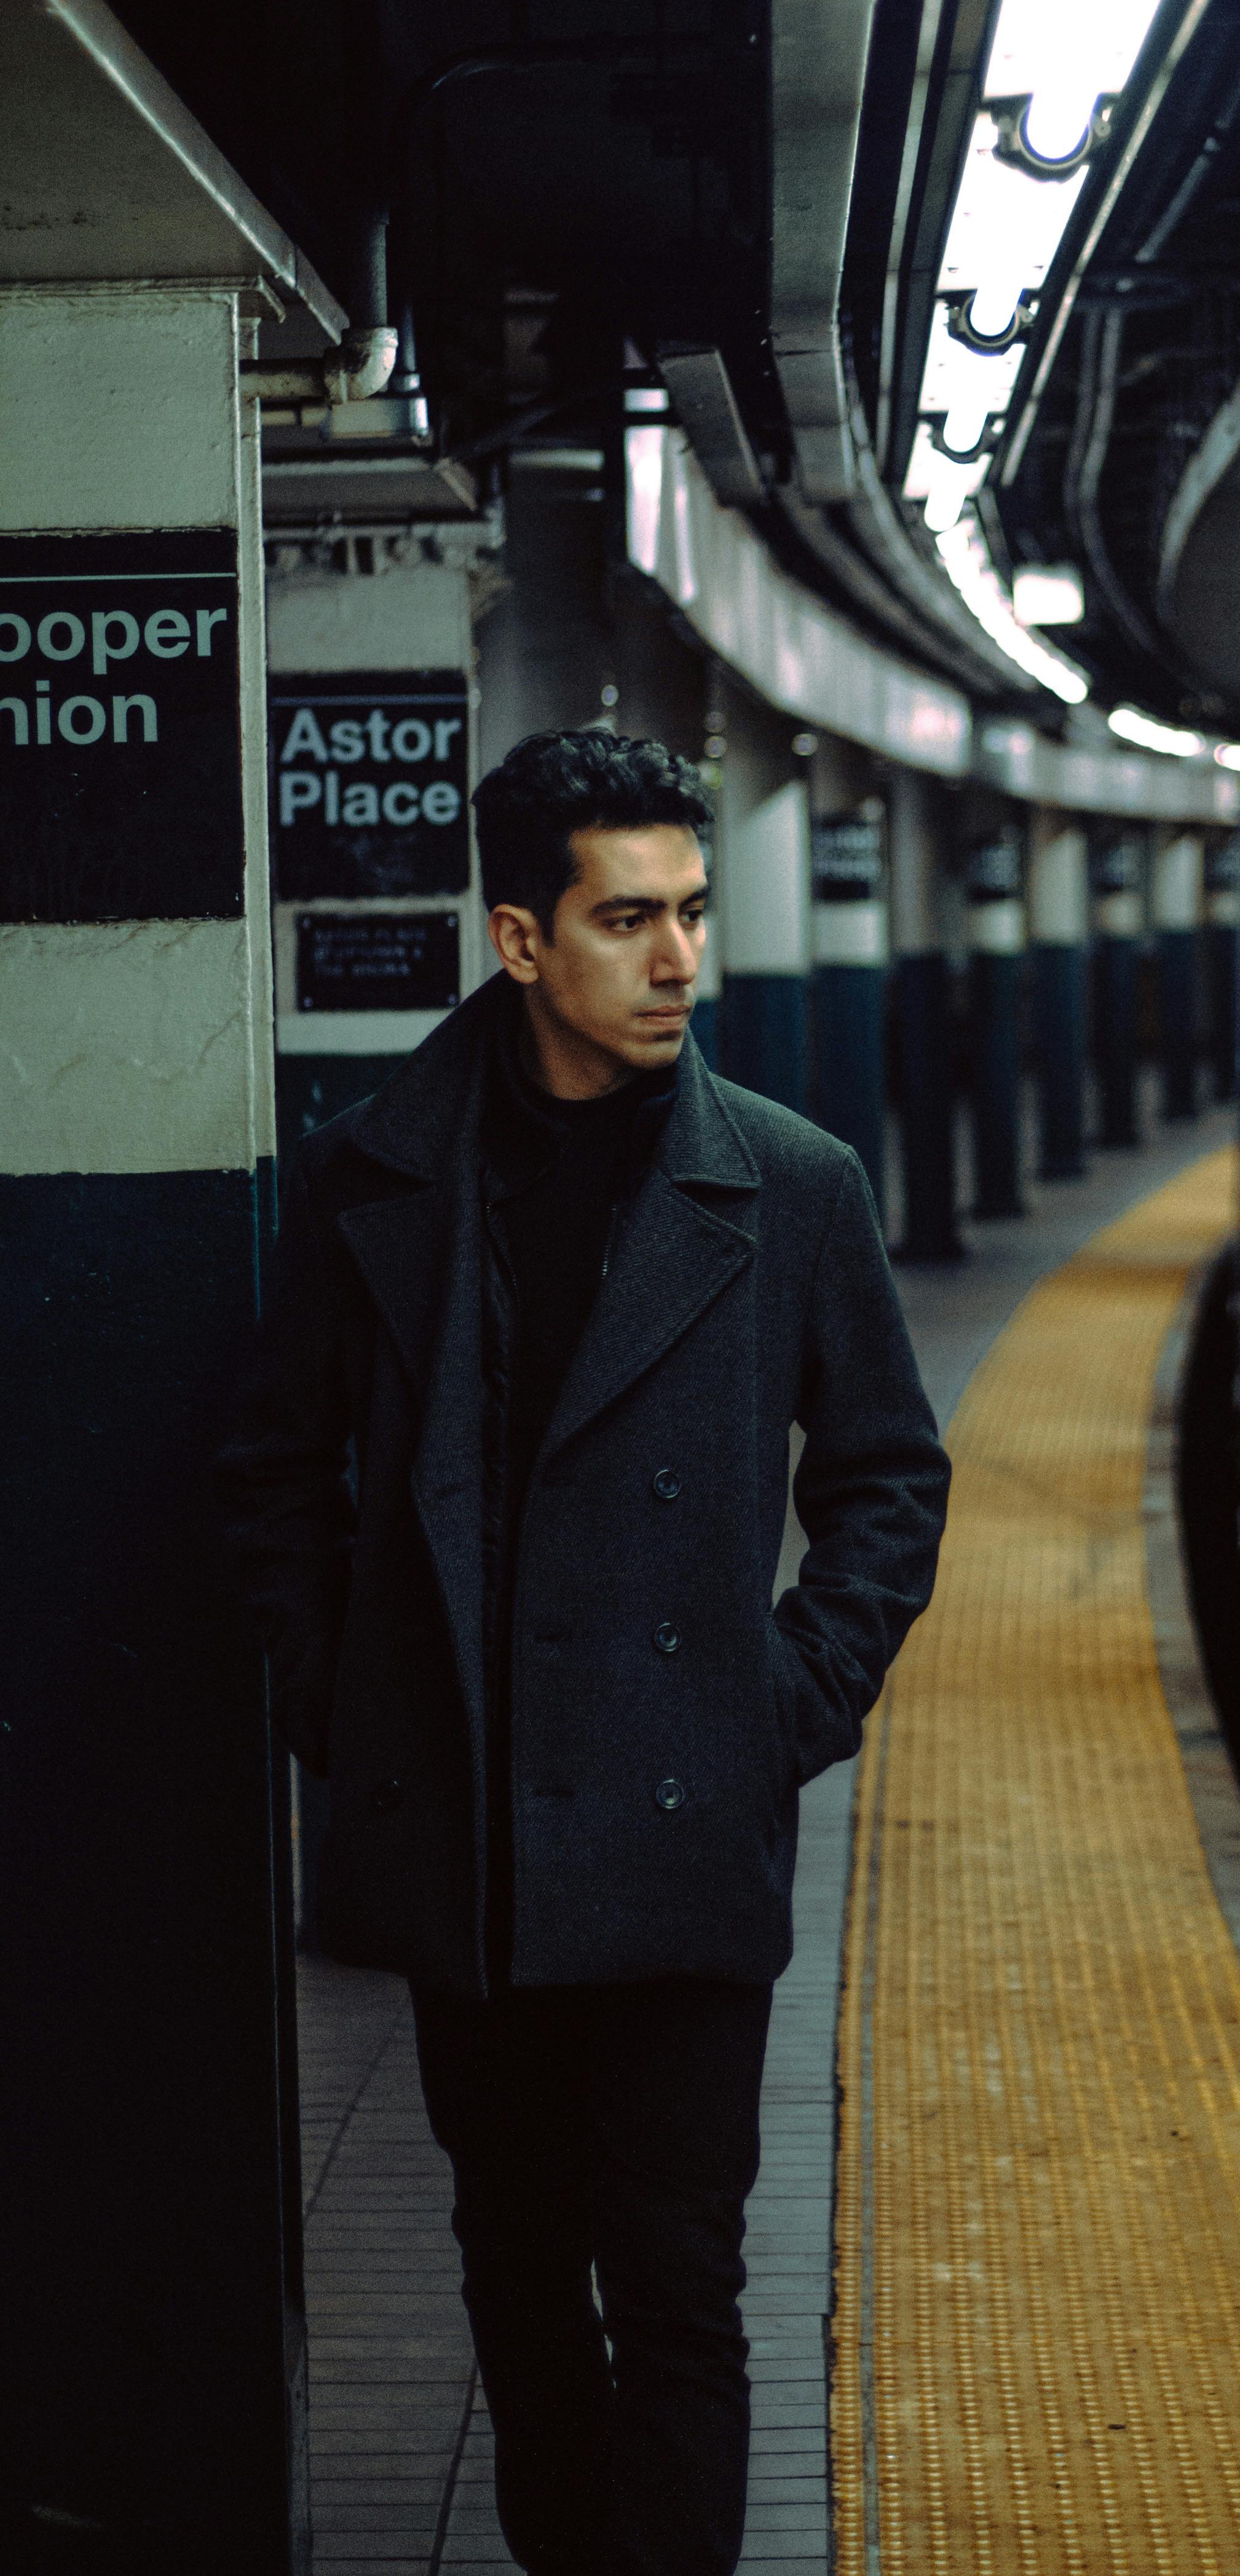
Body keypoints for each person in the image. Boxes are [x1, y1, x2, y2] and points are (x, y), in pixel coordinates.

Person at [218, 727, 949, 2576]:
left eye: (693, 911)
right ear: (520, 938)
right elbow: (273, 1476)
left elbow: (887, 1479)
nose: (681, 957)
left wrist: (782, 1704)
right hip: (467, 1838)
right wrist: (344, 1704)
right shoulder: (376, 1175)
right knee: (521, 2284)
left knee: (686, 2293)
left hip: (686, 1838)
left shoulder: (790, 1186)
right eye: (630, 918)